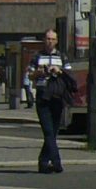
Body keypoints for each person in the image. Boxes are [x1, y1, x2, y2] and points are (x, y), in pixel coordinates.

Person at [34, 31, 74, 173]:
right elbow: (29, 74)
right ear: (44, 40)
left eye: (53, 39)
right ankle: (56, 162)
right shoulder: (37, 56)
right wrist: (40, 72)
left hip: (57, 97)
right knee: (48, 131)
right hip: (43, 97)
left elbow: (70, 74)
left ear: (56, 41)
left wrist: (59, 70)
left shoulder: (62, 56)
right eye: (48, 39)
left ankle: (43, 163)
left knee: (53, 132)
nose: (50, 41)